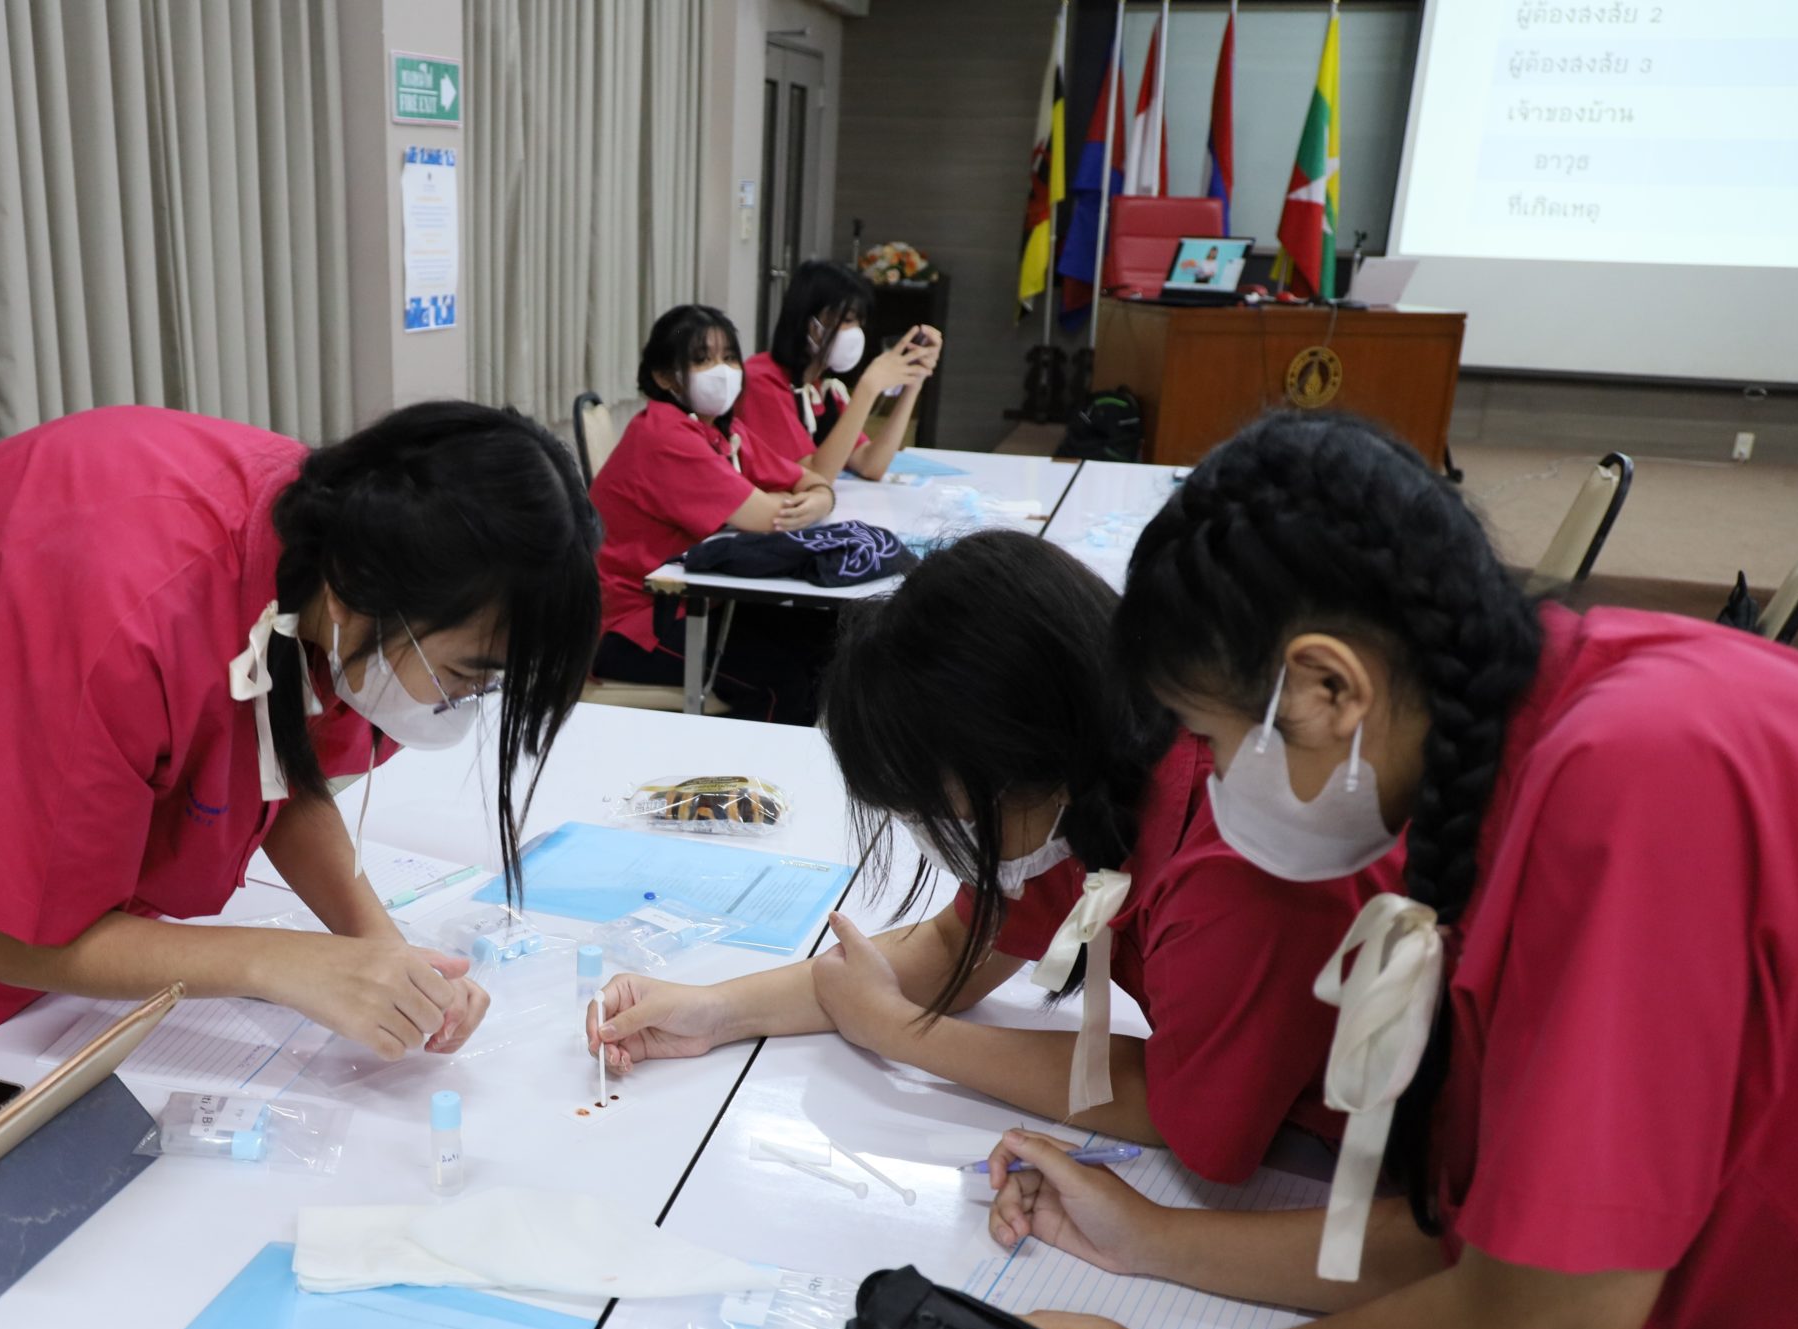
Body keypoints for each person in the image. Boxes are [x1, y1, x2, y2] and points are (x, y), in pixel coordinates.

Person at [994, 411, 1798, 1329]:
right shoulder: (1555, 719)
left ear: (1326, 689)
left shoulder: (1625, 781)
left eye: (1211, 737)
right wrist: (1149, 1241)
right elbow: (1484, 1235)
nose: (1208, 776)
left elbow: (1546, 1315)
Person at [0, 402, 601, 1122]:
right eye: (464, 676)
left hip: (61, 849)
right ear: (361, 596)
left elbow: (280, 764)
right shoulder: (128, 610)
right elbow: (12, 936)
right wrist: (280, 962)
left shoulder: (338, 558)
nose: (462, 703)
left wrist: (380, 949)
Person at [588, 531, 1396, 1176]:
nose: (949, 832)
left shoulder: (1235, 859)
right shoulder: (1076, 791)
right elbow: (956, 945)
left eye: (948, 808)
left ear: (1025, 750)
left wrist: (906, 1035)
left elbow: (1189, 1119)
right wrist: (717, 1009)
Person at [587, 304, 839, 725]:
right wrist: (799, 499)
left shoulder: (721, 428)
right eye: (702, 359)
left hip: (695, 600)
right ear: (664, 377)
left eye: (729, 357)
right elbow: (769, 517)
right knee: (782, 681)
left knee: (820, 639)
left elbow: (810, 481)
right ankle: (739, 767)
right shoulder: (664, 435)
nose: (721, 370)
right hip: (633, 624)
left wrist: (818, 498)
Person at [740, 260, 940, 483]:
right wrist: (867, 388)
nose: (855, 333)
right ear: (811, 324)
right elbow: (816, 478)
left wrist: (914, 382)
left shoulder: (820, 390)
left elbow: (871, 464)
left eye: (859, 323)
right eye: (846, 321)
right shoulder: (762, 381)